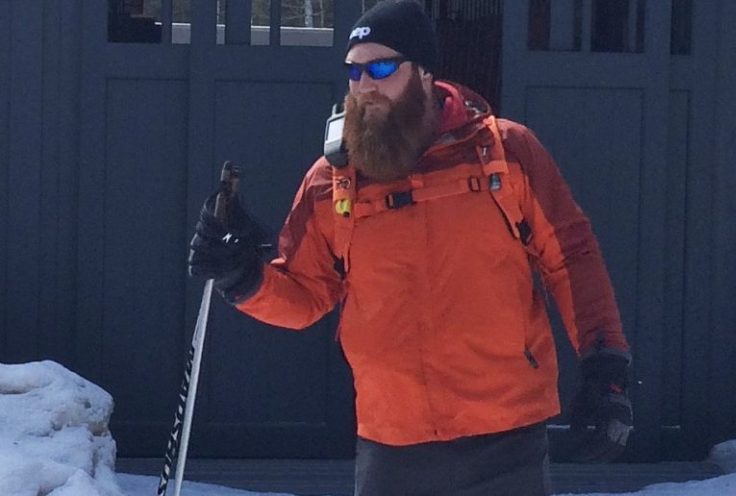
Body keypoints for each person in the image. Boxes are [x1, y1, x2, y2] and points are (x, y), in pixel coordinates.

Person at [188, 1, 633, 495]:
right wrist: (241, 276)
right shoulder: (332, 181)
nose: (364, 85)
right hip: (392, 445)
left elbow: (572, 256)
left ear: (423, 71)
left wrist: (604, 366)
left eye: (381, 67)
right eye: (354, 71)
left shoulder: (507, 153)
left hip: (506, 439)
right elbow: (304, 296)